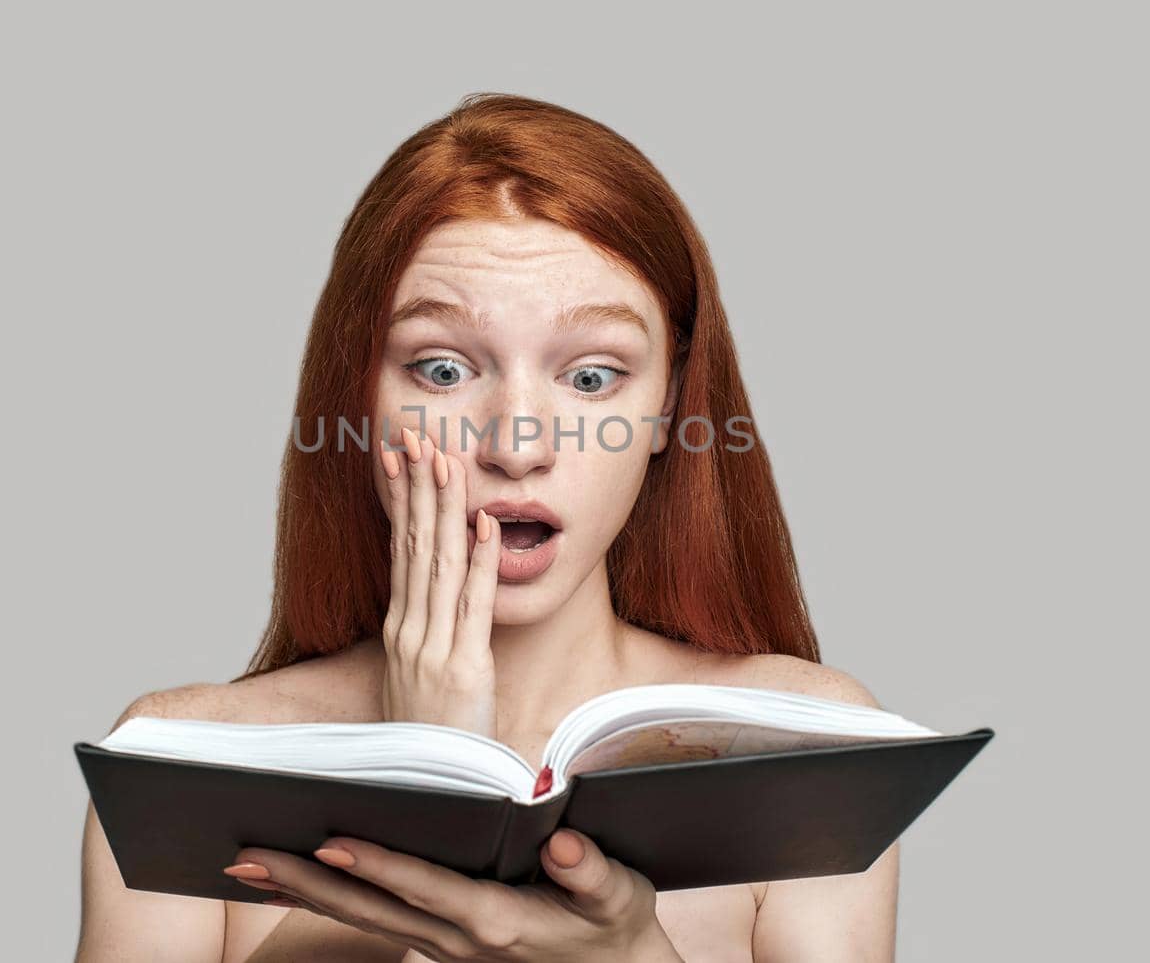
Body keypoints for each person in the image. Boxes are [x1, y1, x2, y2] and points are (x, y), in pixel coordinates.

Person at [76, 93, 898, 961]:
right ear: (359, 398)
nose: (518, 446)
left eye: (590, 379)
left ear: (669, 408)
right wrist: (425, 790)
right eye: (441, 368)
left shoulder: (803, 748)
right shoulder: (184, 764)